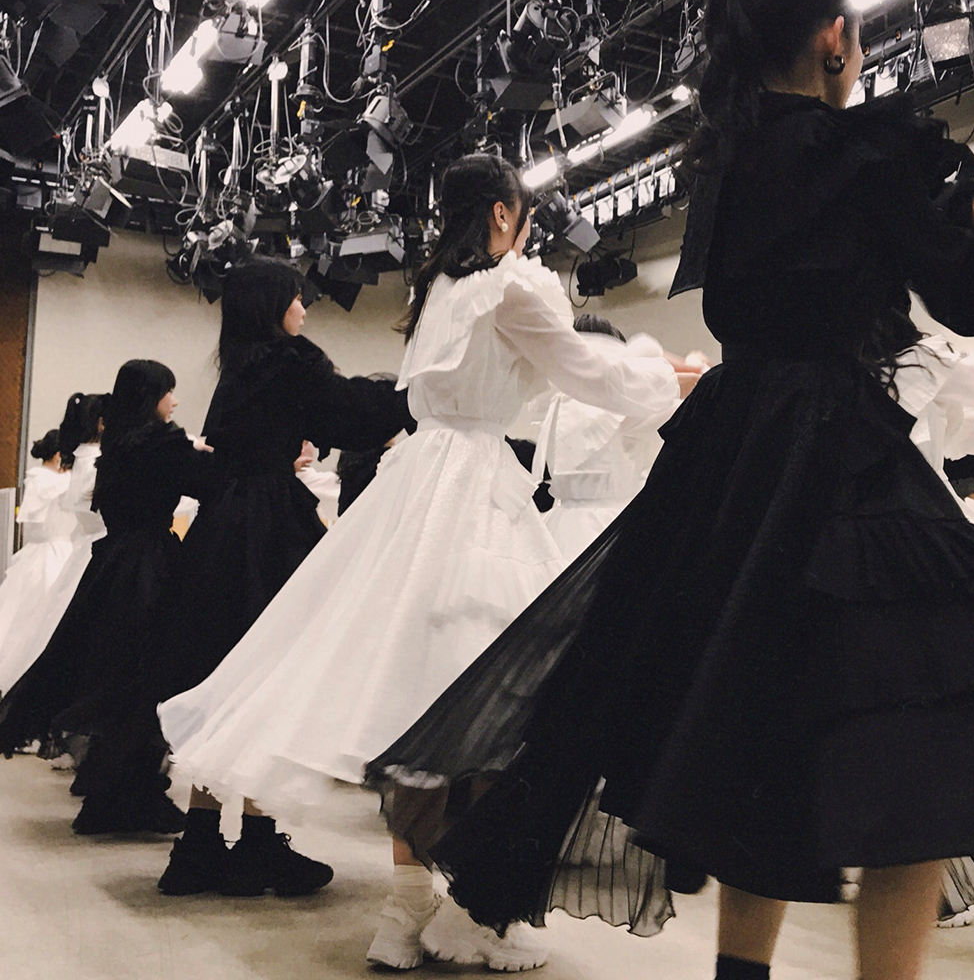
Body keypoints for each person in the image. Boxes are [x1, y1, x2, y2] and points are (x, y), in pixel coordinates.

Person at [363, 0, 974, 980]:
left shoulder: (726, 163)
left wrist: (950, 213)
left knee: (756, 738)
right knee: (917, 758)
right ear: (834, 40)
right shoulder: (865, 152)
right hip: (839, 456)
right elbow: (972, 301)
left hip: (731, 462)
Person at [158, 152, 685, 970]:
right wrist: (664, 372)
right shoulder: (511, 285)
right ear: (504, 214)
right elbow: (587, 369)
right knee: (495, 705)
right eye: (524, 214)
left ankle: (405, 911)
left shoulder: (438, 289)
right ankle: (470, 913)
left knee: (415, 699)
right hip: (472, 490)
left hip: (415, 491)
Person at [150, 261, 413, 899]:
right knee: (273, 674)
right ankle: (259, 845)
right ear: (275, 306)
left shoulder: (237, 367)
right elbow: (351, 416)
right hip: (269, 528)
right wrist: (417, 393)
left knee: (224, 676)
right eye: (298, 298)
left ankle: (200, 845)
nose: (305, 309)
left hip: (222, 529)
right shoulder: (288, 362)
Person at [0, 361, 215, 835]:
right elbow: (207, 480)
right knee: (147, 676)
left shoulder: (115, 445)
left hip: (114, 562)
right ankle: (128, 793)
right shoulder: (161, 444)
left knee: (117, 675)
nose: (175, 402)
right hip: (149, 565)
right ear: (151, 396)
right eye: (169, 392)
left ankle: (111, 790)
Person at [540, 314, 683, 562]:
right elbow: (683, 403)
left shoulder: (554, 406)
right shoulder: (623, 409)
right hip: (613, 524)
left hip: (560, 524)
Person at [0, 431, 76, 681]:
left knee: (21, 609)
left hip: (42, 551)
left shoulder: (40, 480)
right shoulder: (51, 482)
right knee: (41, 610)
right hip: (53, 551)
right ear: (58, 456)